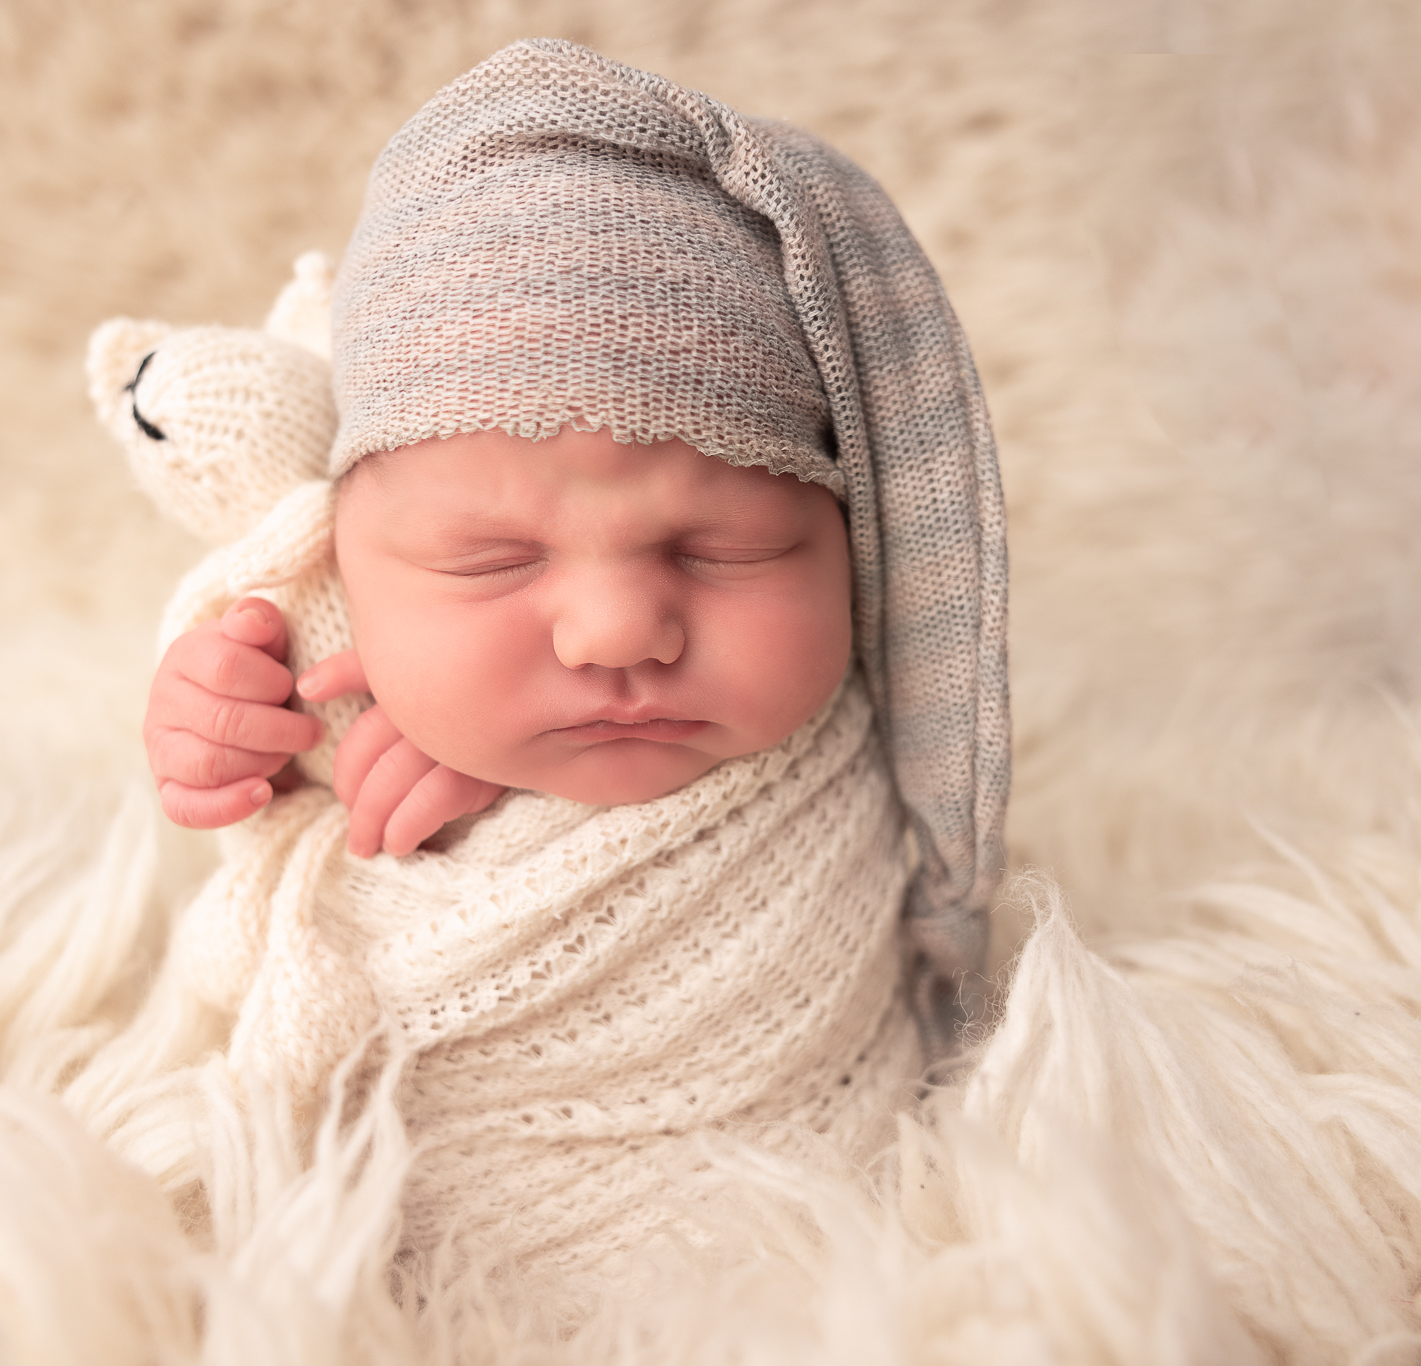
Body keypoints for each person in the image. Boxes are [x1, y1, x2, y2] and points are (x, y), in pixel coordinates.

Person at [103, 38, 1009, 1277]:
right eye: (491, 563)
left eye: (722, 547)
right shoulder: (326, 656)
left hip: (794, 1258)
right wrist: (226, 735)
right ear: (343, 558)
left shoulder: (840, 750)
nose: (615, 631)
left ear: (852, 542)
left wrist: (519, 772)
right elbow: (271, 860)